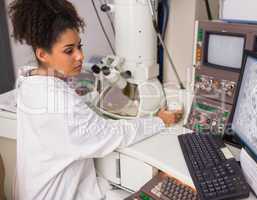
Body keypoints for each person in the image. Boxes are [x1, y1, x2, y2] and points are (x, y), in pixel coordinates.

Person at [8, 0, 182, 199]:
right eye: (69, 50)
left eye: (79, 47)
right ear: (42, 54)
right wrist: (159, 121)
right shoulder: (59, 104)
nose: (80, 56)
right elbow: (112, 134)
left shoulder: (29, 80)